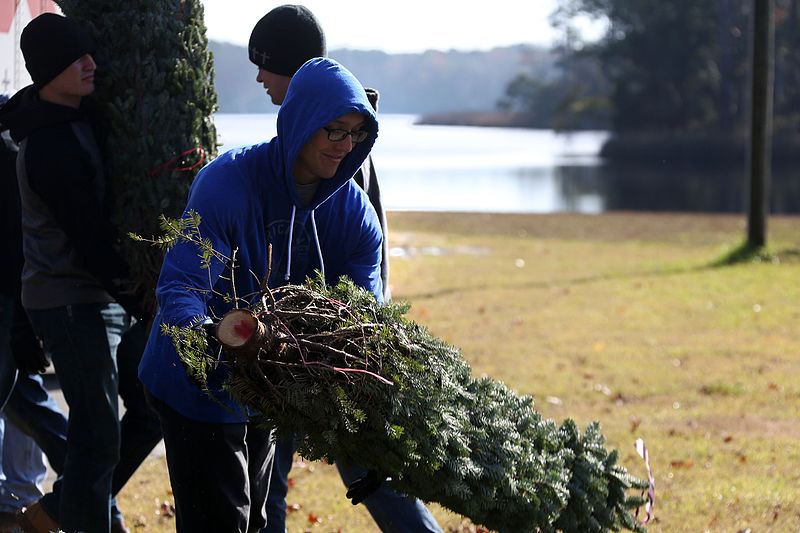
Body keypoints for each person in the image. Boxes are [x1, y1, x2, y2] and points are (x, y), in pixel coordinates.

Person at [138, 56, 389, 532]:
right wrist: (203, 337)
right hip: (195, 383)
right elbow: (183, 283)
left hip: (268, 388)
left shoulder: (355, 218)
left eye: (355, 133)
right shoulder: (228, 182)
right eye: (333, 129)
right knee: (221, 521)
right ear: (301, 121)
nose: (344, 145)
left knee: (256, 520)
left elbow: (361, 327)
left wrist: (371, 432)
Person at [248, 6, 440, 532]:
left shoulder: (337, 144)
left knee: (358, 468)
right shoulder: (318, 131)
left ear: (293, 66)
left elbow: (357, 249)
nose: (258, 76)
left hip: (329, 338)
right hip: (306, 334)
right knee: (286, 470)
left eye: (265, 64)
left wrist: (331, 330)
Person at [0, 13, 161, 533]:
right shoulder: (48, 146)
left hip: (106, 298)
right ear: (50, 70)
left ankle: (55, 511)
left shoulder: (85, 119)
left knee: (151, 411)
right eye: (78, 59)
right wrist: (143, 300)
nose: (92, 64)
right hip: (70, 303)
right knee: (95, 437)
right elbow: (88, 241)